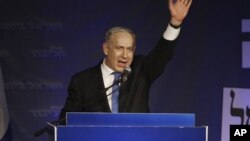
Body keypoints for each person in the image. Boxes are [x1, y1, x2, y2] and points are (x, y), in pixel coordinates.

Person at [59, 0, 192, 123]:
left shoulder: (141, 69)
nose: (125, 55)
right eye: (119, 48)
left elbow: (162, 55)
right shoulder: (81, 81)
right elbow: (67, 122)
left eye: (129, 49)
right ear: (106, 48)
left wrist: (174, 24)